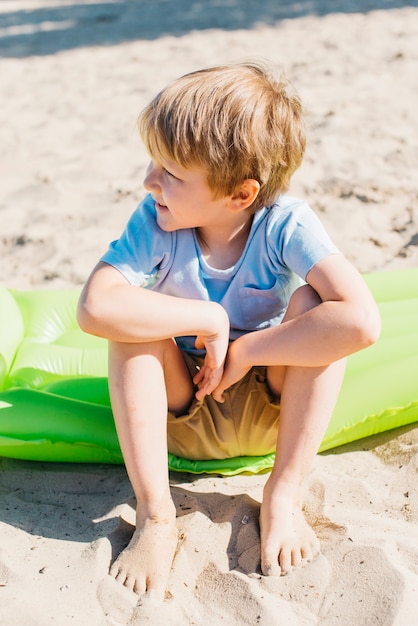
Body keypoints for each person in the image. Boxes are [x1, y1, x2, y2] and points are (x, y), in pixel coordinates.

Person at [77, 62, 381, 601]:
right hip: (181, 406)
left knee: (317, 303)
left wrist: (245, 350)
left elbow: (360, 320)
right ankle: (156, 514)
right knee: (130, 321)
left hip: (271, 406)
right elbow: (95, 307)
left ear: (240, 194)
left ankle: (283, 496)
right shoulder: (155, 220)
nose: (150, 181)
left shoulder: (284, 223)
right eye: (154, 162)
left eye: (169, 172)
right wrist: (209, 319)